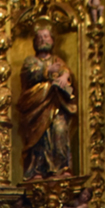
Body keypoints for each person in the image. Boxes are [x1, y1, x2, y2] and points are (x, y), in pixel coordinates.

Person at [16, 27, 77, 181]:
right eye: (40, 37)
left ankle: (61, 168)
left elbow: (67, 77)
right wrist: (48, 70)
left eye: (46, 36)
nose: (43, 39)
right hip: (37, 107)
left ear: (52, 40)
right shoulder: (31, 61)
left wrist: (65, 76)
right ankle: (38, 169)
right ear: (35, 42)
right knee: (40, 138)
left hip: (57, 105)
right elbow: (29, 73)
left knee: (60, 131)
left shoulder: (58, 61)